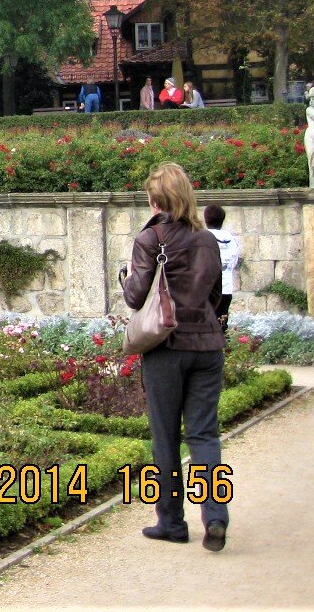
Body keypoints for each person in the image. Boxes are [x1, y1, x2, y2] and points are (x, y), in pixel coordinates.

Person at [120, 161, 228, 550]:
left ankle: (171, 522)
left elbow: (136, 297)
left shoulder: (152, 238)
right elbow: (215, 294)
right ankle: (215, 516)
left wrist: (125, 279)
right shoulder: (207, 239)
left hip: (166, 347)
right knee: (204, 436)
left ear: (156, 201)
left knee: (165, 438)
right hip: (207, 345)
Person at [203, 204, 240, 333]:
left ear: (205, 219)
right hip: (226, 288)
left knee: (206, 327)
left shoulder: (203, 238)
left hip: (208, 289)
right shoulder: (232, 239)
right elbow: (234, 262)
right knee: (222, 325)